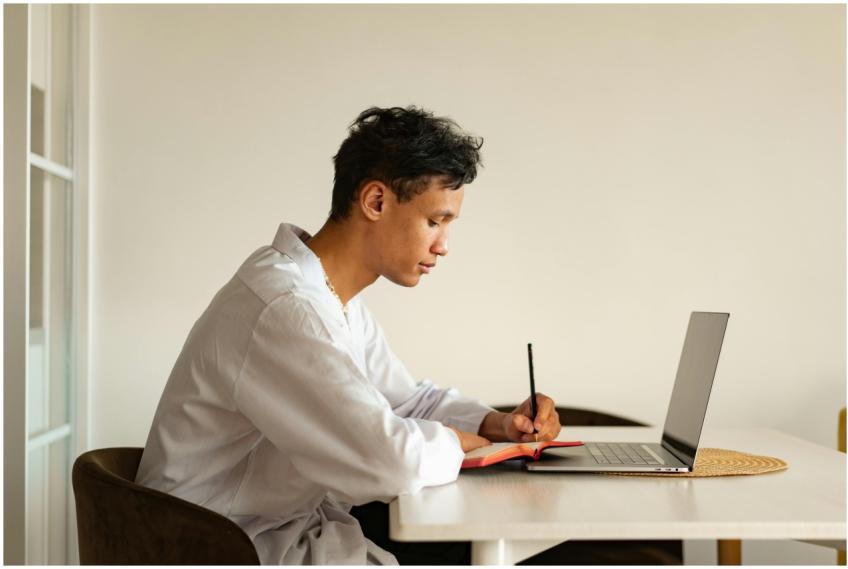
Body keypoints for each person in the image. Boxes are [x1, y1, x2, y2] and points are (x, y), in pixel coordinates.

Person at [136, 106, 562, 565]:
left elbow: (405, 402)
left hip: (272, 526)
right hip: (221, 545)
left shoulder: (329, 298)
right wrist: (454, 443)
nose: (443, 246)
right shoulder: (286, 307)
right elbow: (388, 461)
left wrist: (495, 425)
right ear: (376, 201)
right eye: (435, 221)